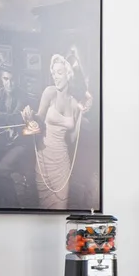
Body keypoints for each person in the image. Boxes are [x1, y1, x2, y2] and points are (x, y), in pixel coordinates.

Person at [28, 49, 92, 208]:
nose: (55, 76)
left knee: (60, 208)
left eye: (59, 72)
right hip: (44, 160)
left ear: (68, 75)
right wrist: (30, 118)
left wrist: (79, 117)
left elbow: (72, 139)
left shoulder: (74, 103)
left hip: (62, 163)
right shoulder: (49, 93)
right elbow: (38, 121)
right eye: (53, 73)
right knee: (44, 208)